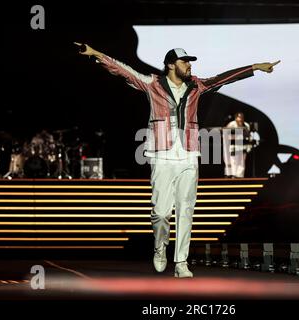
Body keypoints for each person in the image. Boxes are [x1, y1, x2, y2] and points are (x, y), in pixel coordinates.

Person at [75, 42, 280, 277]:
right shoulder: (153, 84)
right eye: (185, 61)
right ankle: (160, 247)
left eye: (190, 62)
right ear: (171, 64)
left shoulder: (196, 86)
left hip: (189, 154)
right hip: (162, 153)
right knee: (161, 212)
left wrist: (255, 67)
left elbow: (224, 78)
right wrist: (96, 53)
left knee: (186, 210)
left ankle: (181, 262)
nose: (189, 65)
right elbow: (122, 69)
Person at [223, 112, 251, 178]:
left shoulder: (246, 125)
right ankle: (233, 175)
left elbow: (248, 135)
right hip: (233, 145)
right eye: (239, 117)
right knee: (233, 160)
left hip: (243, 145)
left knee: (241, 161)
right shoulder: (231, 124)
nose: (241, 119)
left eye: (242, 117)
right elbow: (225, 133)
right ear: (236, 118)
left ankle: (240, 176)